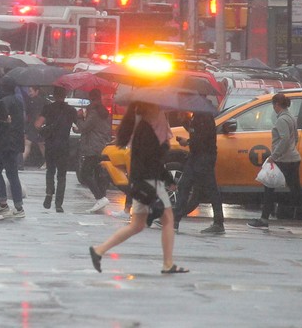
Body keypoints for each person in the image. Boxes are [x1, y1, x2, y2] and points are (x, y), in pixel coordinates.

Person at [89, 100, 186, 275]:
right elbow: (153, 161)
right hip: (150, 182)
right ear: (151, 110)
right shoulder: (147, 131)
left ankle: (99, 250)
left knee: (137, 226)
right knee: (168, 221)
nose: (160, 112)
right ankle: (167, 264)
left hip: (142, 181)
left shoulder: (142, 128)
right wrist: (168, 176)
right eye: (158, 109)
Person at [250, 92, 302, 229]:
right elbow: (295, 138)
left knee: (286, 189)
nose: (273, 108)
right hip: (290, 157)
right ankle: (264, 219)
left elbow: (284, 139)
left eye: (273, 105)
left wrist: (274, 156)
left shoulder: (281, 120)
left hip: (284, 159)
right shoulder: (290, 117)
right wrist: (290, 149)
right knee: (280, 188)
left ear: (277, 105)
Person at [173, 106, 225, 235]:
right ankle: (175, 220)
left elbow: (202, 138)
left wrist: (187, 141)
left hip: (204, 157)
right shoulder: (197, 114)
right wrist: (185, 120)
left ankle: (219, 223)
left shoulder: (204, 115)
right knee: (184, 185)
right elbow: (196, 132)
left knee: (211, 189)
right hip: (196, 156)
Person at [36, 87, 76, 212]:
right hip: (64, 145)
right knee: (62, 175)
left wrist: (45, 129)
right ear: (65, 95)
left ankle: (49, 193)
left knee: (50, 171)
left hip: (50, 144)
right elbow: (78, 128)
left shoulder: (48, 108)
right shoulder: (71, 110)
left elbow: (37, 125)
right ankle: (59, 204)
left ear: (53, 95)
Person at [0, 76, 26, 219]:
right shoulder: (18, 101)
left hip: (5, 143)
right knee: (2, 171)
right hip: (15, 142)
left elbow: (0, 121)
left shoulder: (4, 102)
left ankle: (14, 206)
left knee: (7, 173)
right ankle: (7, 205)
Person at [77, 88, 114, 212]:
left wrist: (79, 118)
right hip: (101, 145)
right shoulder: (103, 111)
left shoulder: (93, 112)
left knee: (85, 173)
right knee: (98, 173)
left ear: (91, 98)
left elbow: (84, 127)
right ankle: (101, 198)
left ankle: (100, 198)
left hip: (93, 147)